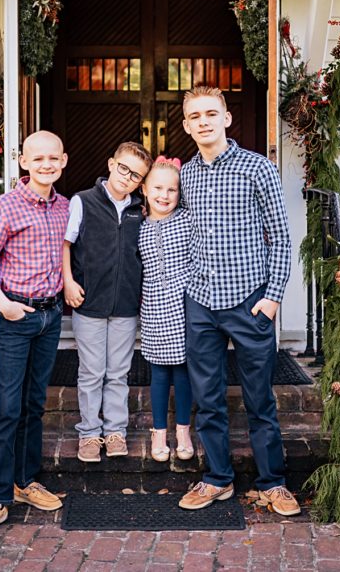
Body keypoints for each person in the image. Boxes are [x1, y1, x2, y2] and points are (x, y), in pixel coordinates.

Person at [176, 85, 300, 516]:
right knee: (207, 398)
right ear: (186, 125)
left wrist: (273, 298)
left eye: (211, 113)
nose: (204, 122)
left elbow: (281, 237)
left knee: (259, 398)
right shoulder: (186, 175)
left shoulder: (257, 168)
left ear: (226, 118)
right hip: (200, 301)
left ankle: (273, 483)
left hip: (250, 300)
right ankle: (217, 479)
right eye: (195, 116)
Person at [0, 130, 70, 537]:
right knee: (8, 407)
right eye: (37, 158)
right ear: (23, 162)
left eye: (52, 158)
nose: (46, 164)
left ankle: (25, 482)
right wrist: (1, 302)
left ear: (63, 161)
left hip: (50, 317)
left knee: (34, 403)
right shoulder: (5, 207)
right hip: (15, 316)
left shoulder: (64, 207)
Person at [63, 142, 153, 462]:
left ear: (141, 182)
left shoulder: (140, 211)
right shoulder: (83, 201)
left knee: (117, 372)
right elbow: (66, 244)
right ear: (111, 164)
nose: (127, 177)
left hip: (125, 305)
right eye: (124, 168)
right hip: (89, 302)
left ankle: (115, 431)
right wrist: (68, 281)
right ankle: (89, 432)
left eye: (136, 175)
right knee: (91, 371)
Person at [138, 156, 195, 462]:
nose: (164, 195)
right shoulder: (138, 226)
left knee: (184, 371)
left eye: (172, 190)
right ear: (145, 190)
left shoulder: (187, 220)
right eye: (158, 188)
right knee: (159, 372)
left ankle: (183, 430)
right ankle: (159, 431)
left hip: (184, 303)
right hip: (154, 305)